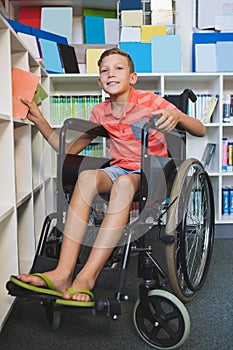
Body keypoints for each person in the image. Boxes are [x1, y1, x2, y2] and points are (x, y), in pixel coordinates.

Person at [12, 48, 206, 305]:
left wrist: (178, 116)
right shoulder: (100, 112)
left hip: (152, 171)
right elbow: (68, 149)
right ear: (99, 81)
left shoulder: (150, 101)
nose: (111, 74)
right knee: (87, 178)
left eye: (118, 68)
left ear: (133, 77)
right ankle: (62, 273)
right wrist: (40, 120)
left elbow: (201, 130)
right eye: (104, 70)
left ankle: (87, 277)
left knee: (124, 185)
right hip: (119, 168)